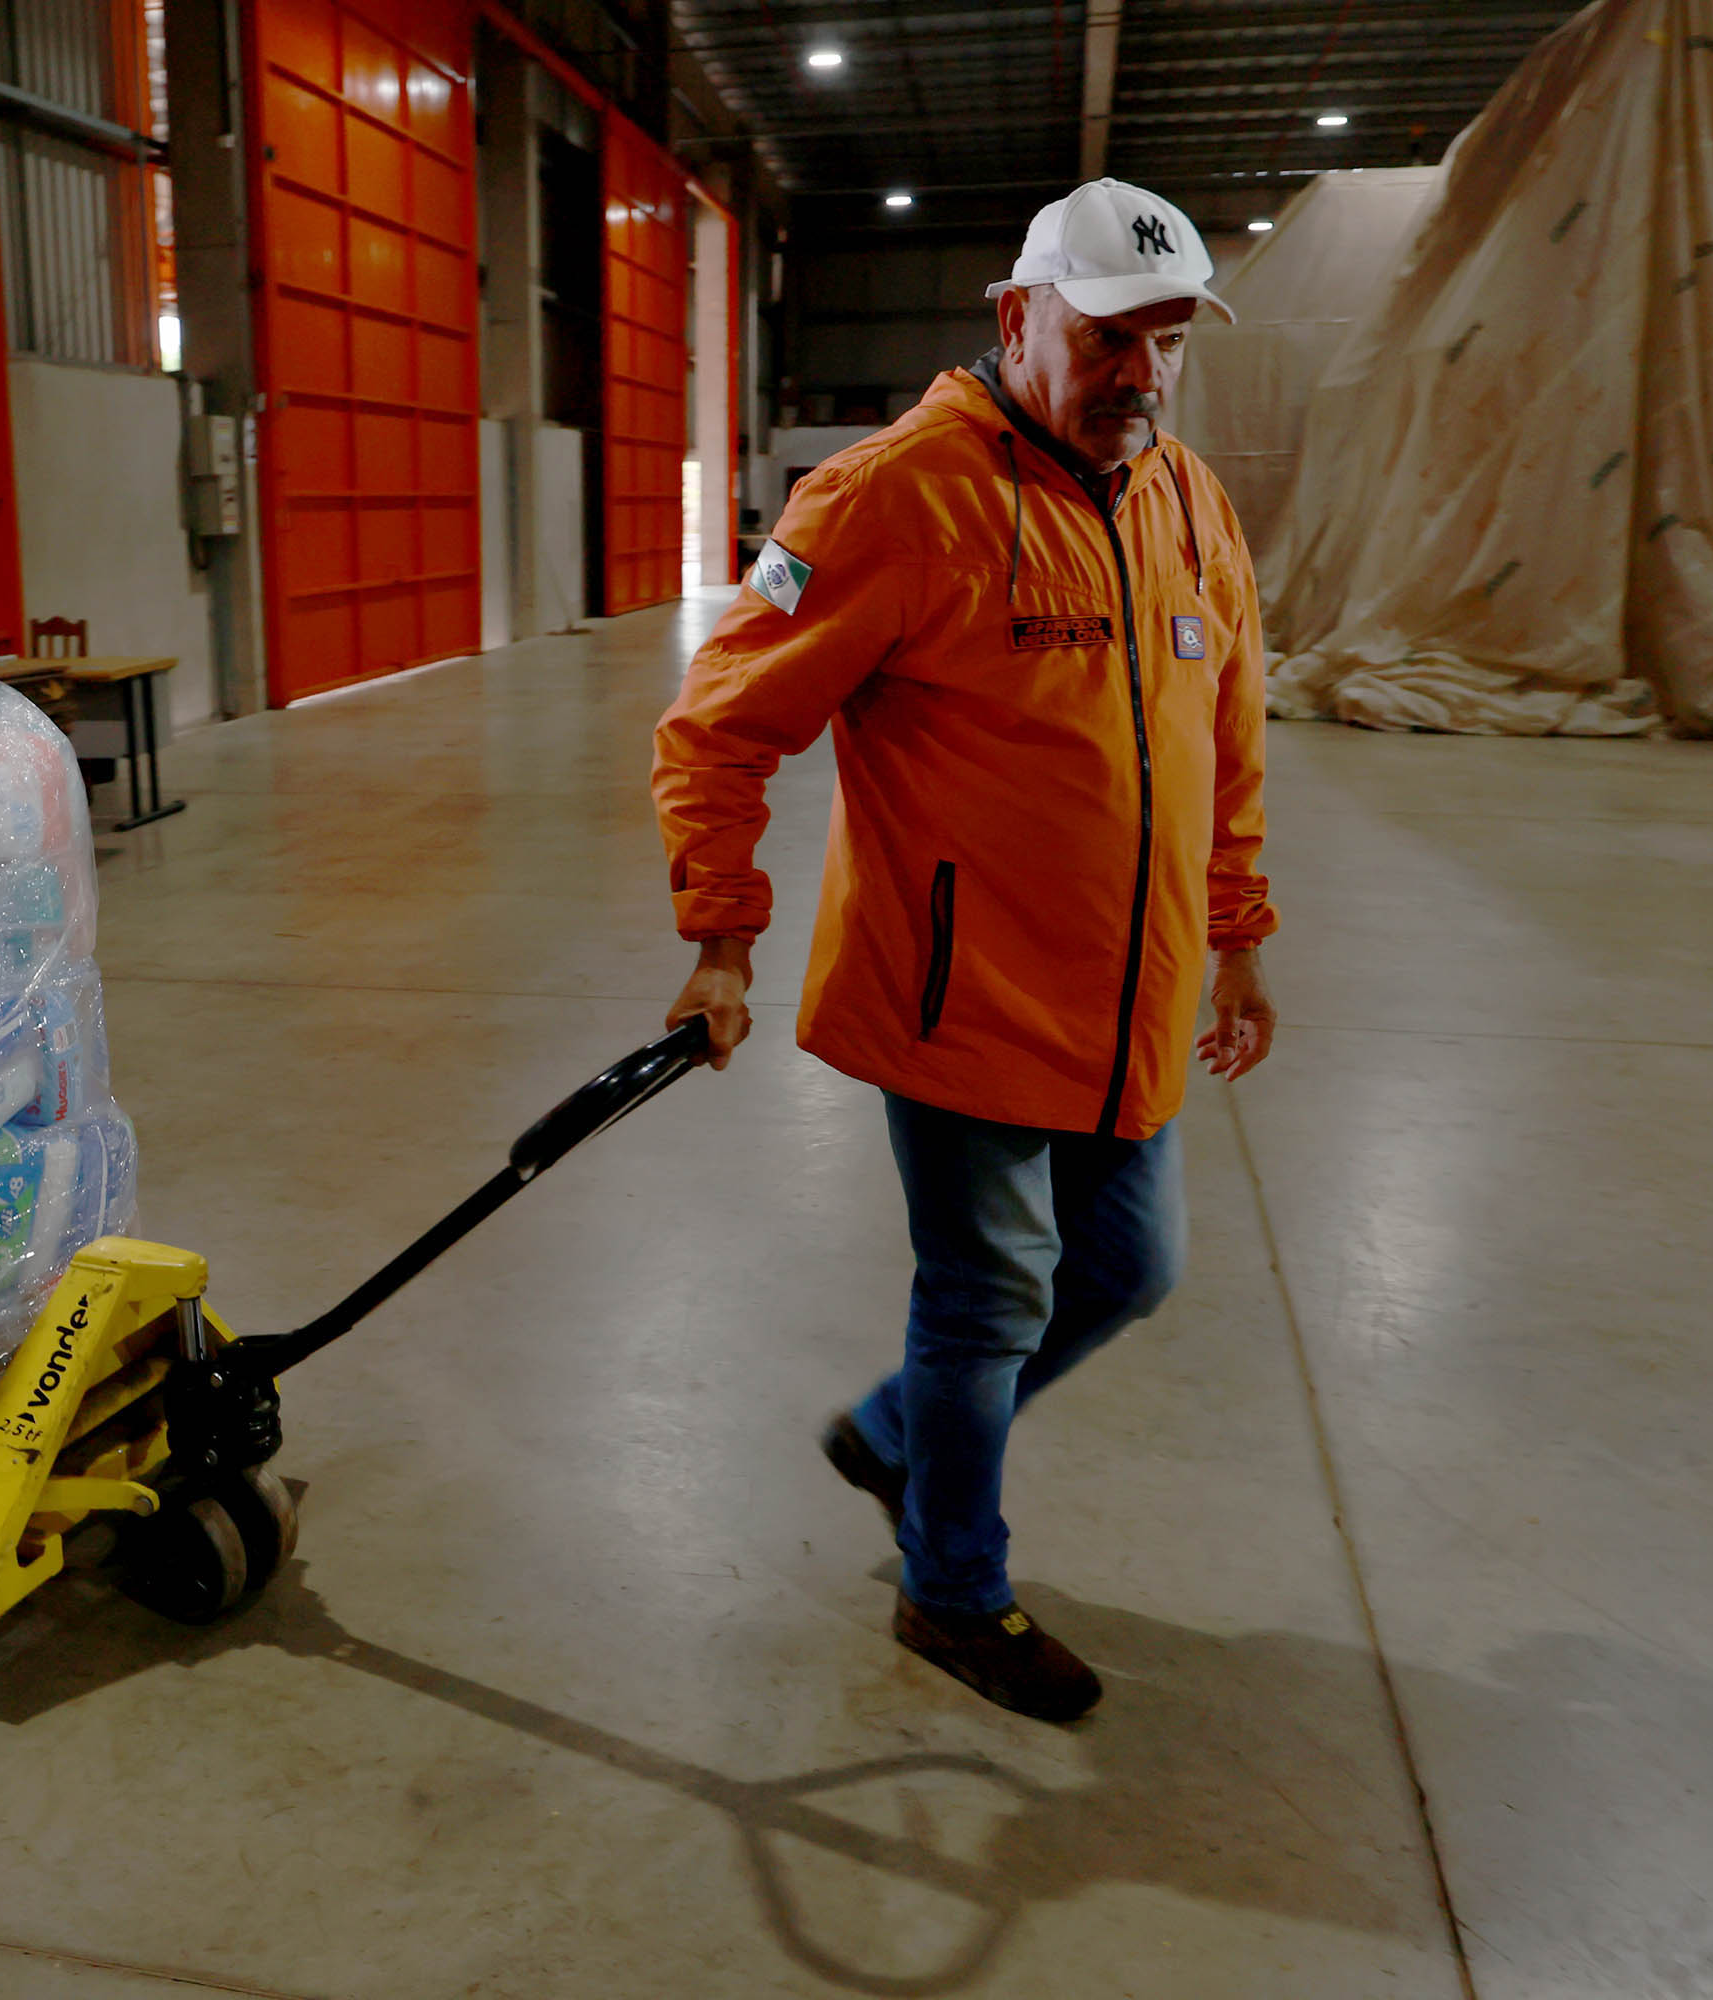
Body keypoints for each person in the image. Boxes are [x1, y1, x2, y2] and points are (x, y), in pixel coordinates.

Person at [651, 178, 1280, 1723]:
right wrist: (724, 934)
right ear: (1018, 318)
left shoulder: (1188, 499)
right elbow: (719, 729)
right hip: (960, 997)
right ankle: (953, 1587)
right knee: (990, 1298)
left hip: (1129, 991)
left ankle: (894, 1436)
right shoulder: (893, 497)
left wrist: (1241, 933)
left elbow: (1230, 732)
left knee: (1132, 1268)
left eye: (1168, 341)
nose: (1139, 372)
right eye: (1108, 336)